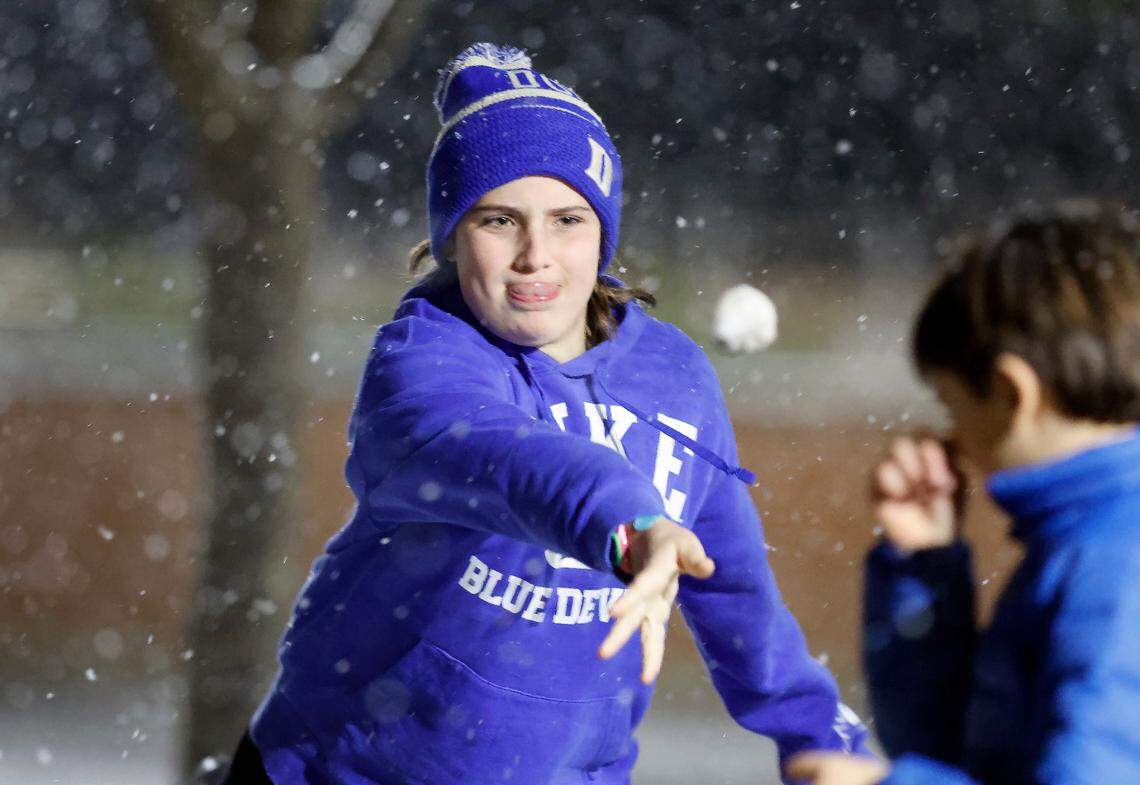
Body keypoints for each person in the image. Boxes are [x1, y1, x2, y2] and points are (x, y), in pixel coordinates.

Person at [222, 43, 867, 785]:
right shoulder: (421, 362)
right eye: (499, 220)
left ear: (604, 232)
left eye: (568, 218)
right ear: (450, 233)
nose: (536, 255)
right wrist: (630, 523)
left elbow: (732, 589)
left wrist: (822, 736)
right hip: (346, 768)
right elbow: (506, 458)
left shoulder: (674, 378)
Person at [787, 200, 1140, 785]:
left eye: (953, 406)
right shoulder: (1080, 539)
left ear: (1010, 393)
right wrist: (922, 569)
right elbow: (963, 754)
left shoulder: (1114, 562)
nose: (954, 440)